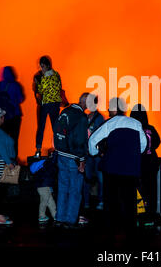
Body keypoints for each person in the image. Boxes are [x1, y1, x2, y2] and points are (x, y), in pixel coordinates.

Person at [88, 97, 147, 240]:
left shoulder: (111, 123)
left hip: (112, 169)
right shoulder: (136, 123)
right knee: (130, 202)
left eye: (109, 108)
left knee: (111, 201)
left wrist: (95, 152)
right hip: (131, 170)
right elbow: (143, 145)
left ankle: (111, 231)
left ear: (115, 109)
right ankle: (131, 233)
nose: (108, 110)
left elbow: (92, 141)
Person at [53, 93, 89, 229]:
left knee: (62, 188)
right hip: (73, 157)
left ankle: (59, 218)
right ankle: (70, 220)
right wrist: (81, 160)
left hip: (61, 155)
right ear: (85, 102)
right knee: (75, 190)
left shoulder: (65, 111)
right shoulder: (81, 117)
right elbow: (80, 140)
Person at [130, 104, 161, 224]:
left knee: (136, 190)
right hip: (151, 163)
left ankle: (137, 214)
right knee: (151, 191)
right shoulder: (151, 128)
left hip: (137, 164)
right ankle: (150, 215)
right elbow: (157, 142)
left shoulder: (132, 129)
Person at [33, 56, 62, 158]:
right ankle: (58, 148)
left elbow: (41, 91)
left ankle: (38, 149)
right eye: (40, 66)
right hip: (56, 103)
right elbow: (59, 87)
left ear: (47, 65)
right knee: (55, 127)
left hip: (46, 104)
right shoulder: (56, 74)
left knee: (41, 127)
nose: (41, 68)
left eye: (42, 66)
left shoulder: (43, 77)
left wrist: (38, 84)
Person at [0, 66, 25, 158]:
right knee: (14, 139)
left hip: (1, 118)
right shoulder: (15, 85)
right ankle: (13, 160)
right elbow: (21, 99)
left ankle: (3, 159)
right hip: (14, 115)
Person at [83, 94, 105, 211]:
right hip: (88, 153)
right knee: (87, 178)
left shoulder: (99, 118)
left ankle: (100, 201)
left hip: (96, 154)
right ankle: (87, 202)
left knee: (100, 179)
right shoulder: (86, 117)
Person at [30, 154, 57, 223]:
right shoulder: (47, 164)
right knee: (44, 201)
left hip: (42, 186)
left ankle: (55, 215)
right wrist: (55, 155)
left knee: (50, 201)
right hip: (45, 186)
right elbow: (51, 169)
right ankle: (41, 216)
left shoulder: (39, 167)